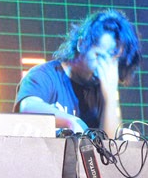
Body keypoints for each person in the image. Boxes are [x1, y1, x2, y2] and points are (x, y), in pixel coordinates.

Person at [14, 9, 141, 138]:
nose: (103, 69)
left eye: (112, 63)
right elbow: (27, 107)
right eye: (100, 57)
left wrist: (111, 96)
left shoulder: (101, 91)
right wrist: (71, 121)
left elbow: (110, 144)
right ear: (81, 44)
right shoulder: (46, 75)